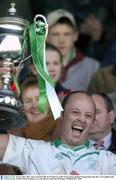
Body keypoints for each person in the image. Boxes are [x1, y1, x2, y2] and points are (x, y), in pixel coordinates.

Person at [0, 91, 116, 175]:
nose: (82, 119)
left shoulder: (106, 160)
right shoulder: (34, 151)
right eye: (75, 112)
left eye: (88, 116)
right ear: (62, 115)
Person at [46, 9, 100, 91]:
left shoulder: (93, 67)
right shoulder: (36, 67)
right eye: (55, 34)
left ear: (75, 35)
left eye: (67, 34)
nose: (61, 40)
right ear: (46, 37)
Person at [20, 76, 60, 141]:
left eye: (39, 99)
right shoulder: (14, 132)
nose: (34, 105)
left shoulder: (62, 129)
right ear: (22, 107)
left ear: (49, 102)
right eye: (28, 101)